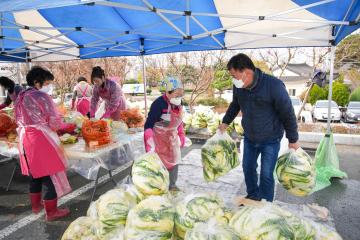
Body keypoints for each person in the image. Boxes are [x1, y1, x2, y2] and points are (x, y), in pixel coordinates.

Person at [218, 53, 299, 202]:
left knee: (266, 174)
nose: (233, 80)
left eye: (235, 75)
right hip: (249, 136)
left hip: (271, 138)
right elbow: (235, 104)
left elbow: (287, 112)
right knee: (248, 168)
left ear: (247, 72)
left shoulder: (273, 86)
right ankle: (253, 195)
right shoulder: (239, 86)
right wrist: (225, 122)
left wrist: (293, 139)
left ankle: (266, 203)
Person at [14, 66, 76, 221]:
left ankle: (36, 207)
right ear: (37, 82)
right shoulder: (41, 97)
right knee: (50, 176)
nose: (49, 86)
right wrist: (64, 127)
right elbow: (54, 121)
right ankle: (52, 211)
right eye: (47, 83)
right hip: (40, 138)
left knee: (35, 175)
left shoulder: (20, 96)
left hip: (24, 138)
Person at [144, 77, 186, 191]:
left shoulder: (179, 103)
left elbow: (179, 121)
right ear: (167, 92)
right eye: (176, 94)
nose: (179, 97)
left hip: (172, 138)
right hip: (158, 140)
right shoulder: (158, 104)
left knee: (174, 160)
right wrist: (149, 144)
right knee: (159, 165)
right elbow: (148, 125)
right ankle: (159, 188)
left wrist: (181, 135)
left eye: (180, 94)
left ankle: (172, 186)